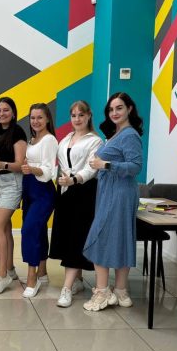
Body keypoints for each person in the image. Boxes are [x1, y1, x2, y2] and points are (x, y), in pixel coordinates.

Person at [82, 92, 143, 311]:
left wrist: (106, 165)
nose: (114, 113)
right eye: (111, 109)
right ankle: (120, 290)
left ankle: (102, 292)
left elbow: (135, 167)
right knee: (119, 237)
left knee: (99, 237)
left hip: (119, 193)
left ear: (129, 109)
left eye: (119, 108)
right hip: (110, 191)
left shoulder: (129, 135)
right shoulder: (117, 134)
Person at [49, 101, 103, 307]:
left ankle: (66, 288)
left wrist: (74, 179)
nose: (77, 119)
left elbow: (92, 169)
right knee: (68, 236)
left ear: (89, 116)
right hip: (65, 191)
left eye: (81, 115)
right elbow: (62, 164)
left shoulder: (95, 141)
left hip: (84, 192)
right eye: (73, 115)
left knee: (76, 238)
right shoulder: (66, 139)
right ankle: (78, 280)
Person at [0, 97, 27, 295]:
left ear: (13, 112)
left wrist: (3, 164)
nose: (1, 113)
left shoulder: (17, 132)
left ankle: (1, 276)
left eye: (6, 110)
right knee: (4, 227)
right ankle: (9, 269)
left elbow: (20, 164)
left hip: (10, 182)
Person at [19, 103, 58, 298]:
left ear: (47, 119)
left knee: (29, 230)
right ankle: (42, 272)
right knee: (39, 231)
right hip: (29, 189)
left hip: (42, 191)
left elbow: (49, 171)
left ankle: (31, 279)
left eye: (39, 117)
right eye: (32, 117)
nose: (35, 121)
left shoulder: (49, 140)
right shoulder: (33, 139)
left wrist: (31, 169)